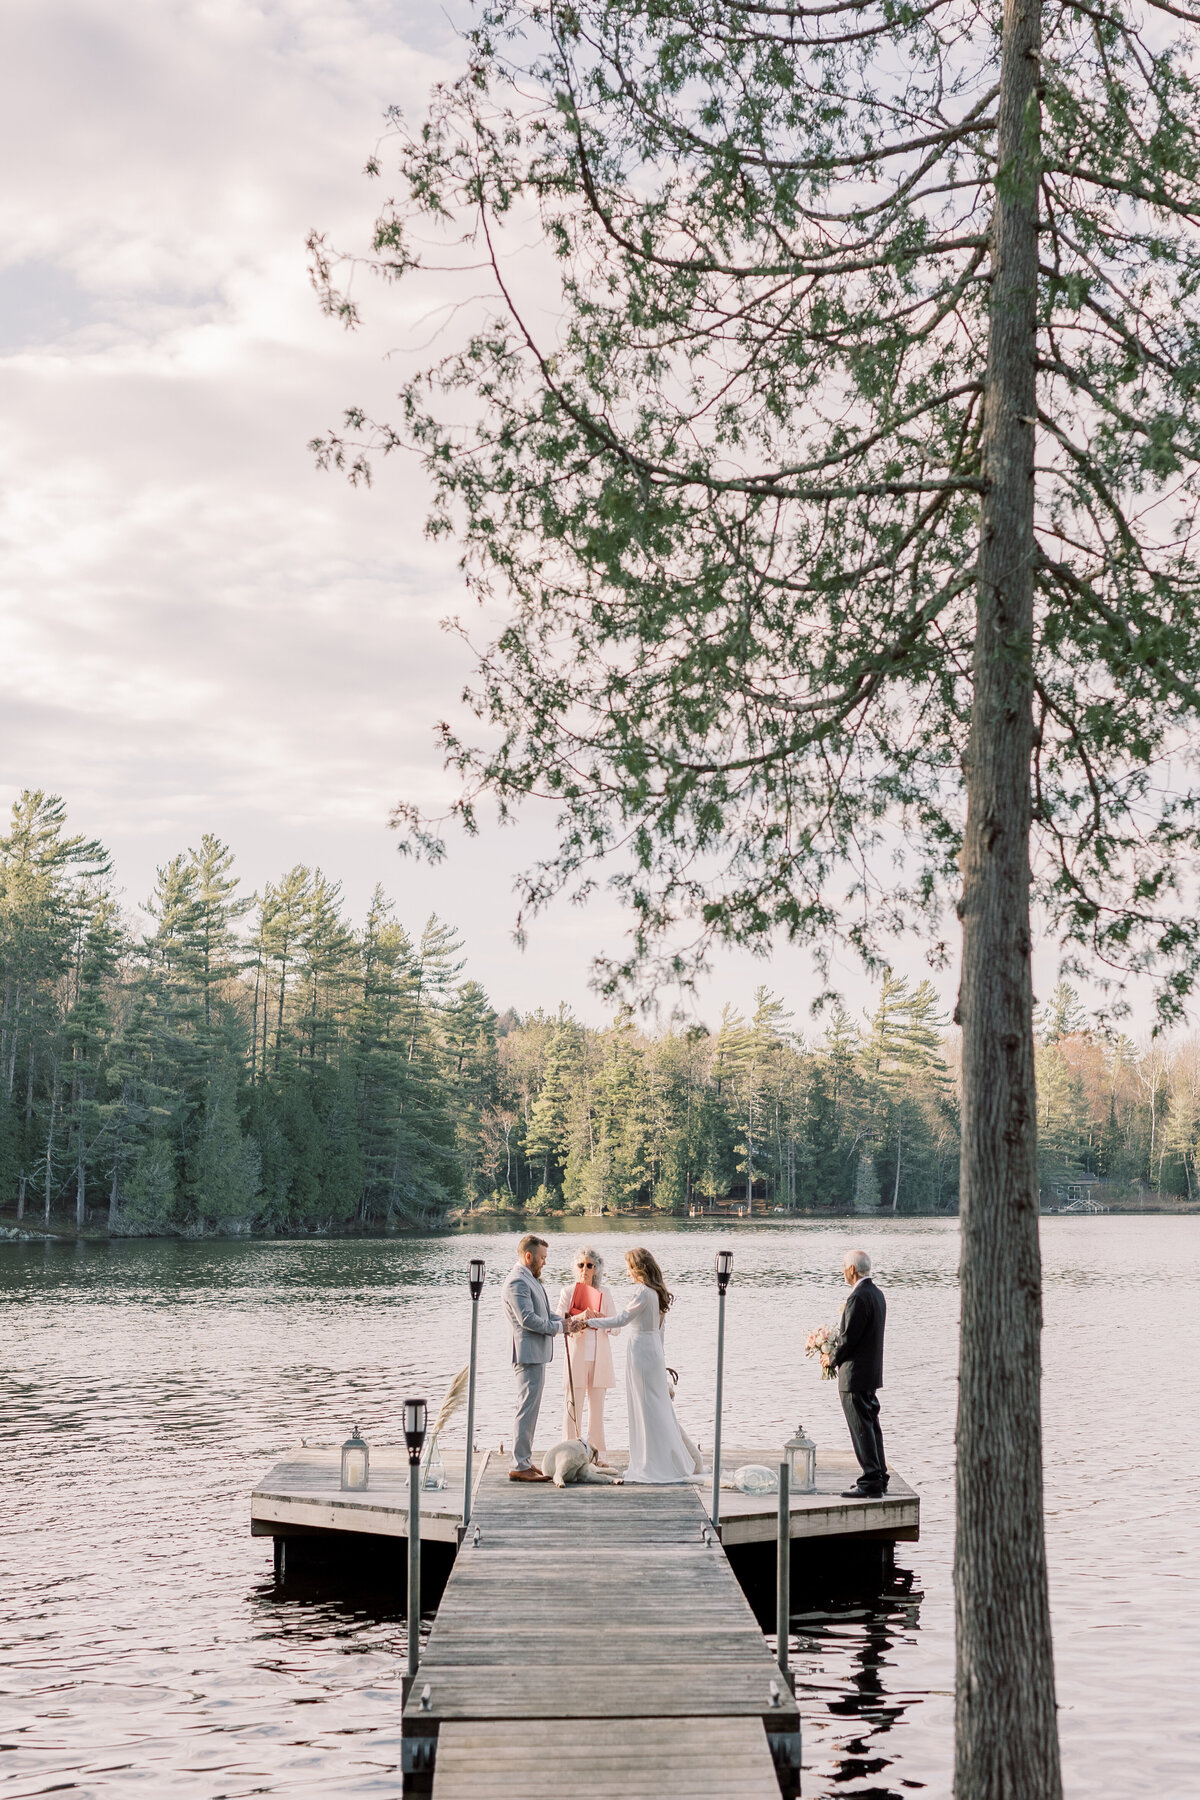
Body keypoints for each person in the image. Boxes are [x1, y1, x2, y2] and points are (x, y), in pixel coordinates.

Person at [585, 1248, 700, 1484]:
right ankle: (663, 1459)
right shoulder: (658, 1293)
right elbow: (661, 1332)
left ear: (637, 1269)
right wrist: (662, 1361)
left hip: (641, 1353)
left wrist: (588, 1322)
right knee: (655, 1408)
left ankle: (650, 1463)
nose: (627, 1273)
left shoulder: (642, 1293)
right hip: (653, 1352)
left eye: (629, 1268)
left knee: (644, 1408)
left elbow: (620, 1320)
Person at [502, 1233, 584, 1482]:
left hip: (535, 1354)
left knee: (530, 1408)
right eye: (542, 1258)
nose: (545, 1262)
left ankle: (524, 1460)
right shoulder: (517, 1282)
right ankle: (518, 1464)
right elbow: (527, 1319)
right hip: (527, 1354)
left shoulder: (529, 1279)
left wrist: (568, 1322)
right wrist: (561, 1329)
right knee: (526, 1409)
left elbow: (545, 1313)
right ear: (529, 1256)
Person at [827, 1246, 888, 1497]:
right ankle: (879, 1476)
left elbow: (849, 1338)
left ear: (852, 1269)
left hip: (855, 1375)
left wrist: (830, 1358)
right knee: (871, 1425)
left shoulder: (857, 1297)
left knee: (861, 1427)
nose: (843, 1271)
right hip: (870, 1372)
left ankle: (870, 1480)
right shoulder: (877, 1294)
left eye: (844, 1267)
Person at [557, 1247, 619, 1453]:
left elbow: (616, 1328)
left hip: (599, 1357)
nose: (585, 1269)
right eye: (581, 1265)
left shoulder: (605, 1293)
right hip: (576, 1355)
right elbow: (558, 1323)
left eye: (589, 1265)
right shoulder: (567, 1292)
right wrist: (580, 1317)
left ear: (596, 1269)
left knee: (597, 1410)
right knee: (572, 1405)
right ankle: (569, 1450)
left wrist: (601, 1320)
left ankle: (597, 1453)